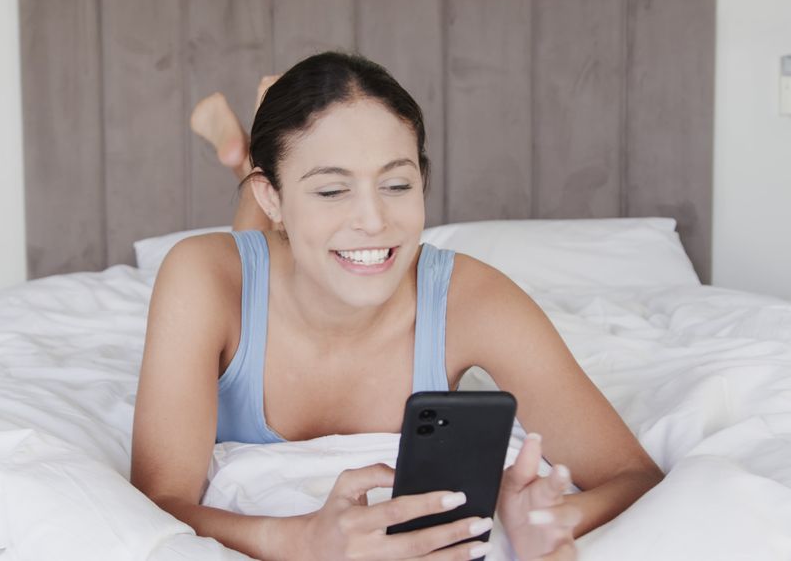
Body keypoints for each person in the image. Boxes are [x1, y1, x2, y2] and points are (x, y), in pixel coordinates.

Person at [131, 52, 663, 561]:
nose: (373, 219)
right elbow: (158, 503)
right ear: (275, 194)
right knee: (254, 246)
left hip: (290, 230)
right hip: (261, 249)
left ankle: (274, 157)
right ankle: (248, 154)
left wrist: (553, 520)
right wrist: (297, 542)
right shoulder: (200, 277)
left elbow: (632, 474)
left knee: (307, 245)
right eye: (333, 190)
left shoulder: (474, 299)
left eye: (397, 183)